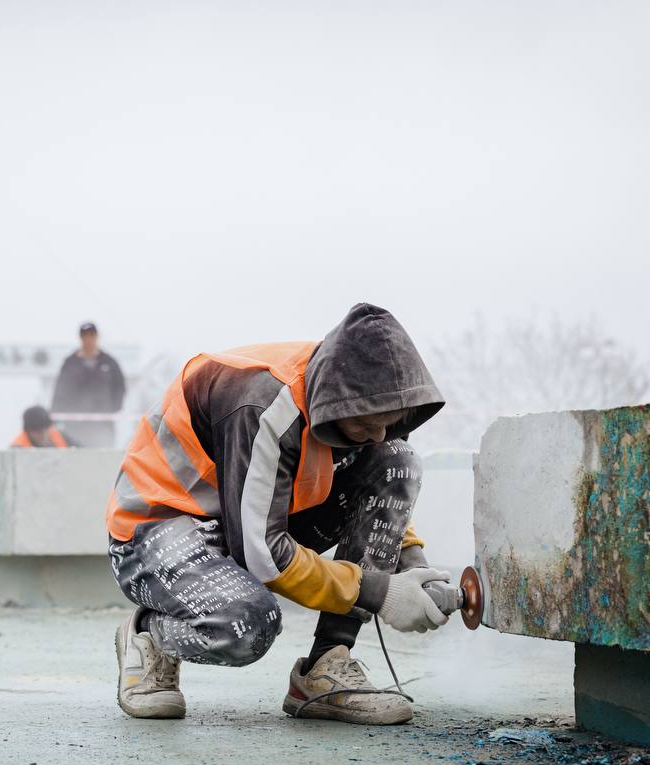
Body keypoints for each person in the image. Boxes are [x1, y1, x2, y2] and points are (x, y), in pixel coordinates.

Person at [107, 303, 456, 726]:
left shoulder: (351, 390)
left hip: (247, 520)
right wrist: (382, 592)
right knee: (245, 627)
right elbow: (262, 555)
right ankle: (149, 635)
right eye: (369, 422)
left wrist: (412, 563)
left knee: (395, 458)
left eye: (391, 420)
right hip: (158, 529)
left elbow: (375, 483)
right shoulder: (261, 404)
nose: (378, 433)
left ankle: (326, 667)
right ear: (338, 400)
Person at [50, 322, 125, 448]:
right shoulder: (70, 364)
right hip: (74, 427)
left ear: (97, 337)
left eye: (91, 335)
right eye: (85, 336)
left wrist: (111, 409)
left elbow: (120, 388)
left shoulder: (109, 363)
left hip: (103, 426)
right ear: (80, 338)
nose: (88, 339)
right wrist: (55, 416)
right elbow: (60, 391)